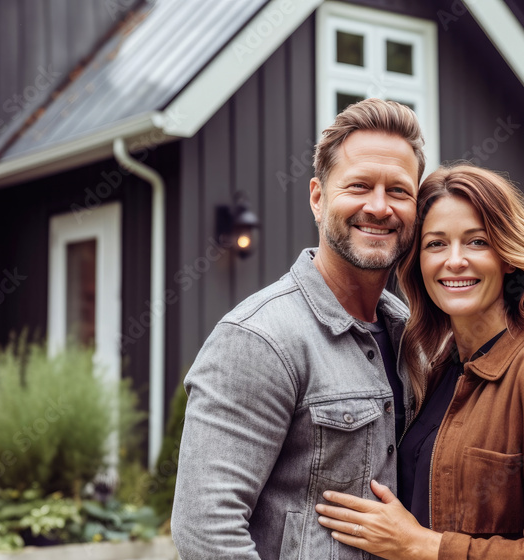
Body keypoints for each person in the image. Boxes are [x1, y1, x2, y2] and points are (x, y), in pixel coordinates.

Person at [315, 165, 524, 559]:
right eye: (436, 244)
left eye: (477, 242)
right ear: (418, 262)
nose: (454, 261)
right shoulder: (439, 369)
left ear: (508, 256)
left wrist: (422, 546)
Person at [171, 99, 426, 560]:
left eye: (399, 191)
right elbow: (206, 532)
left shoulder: (412, 336)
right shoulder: (259, 339)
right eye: (359, 186)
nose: (378, 206)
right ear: (317, 197)